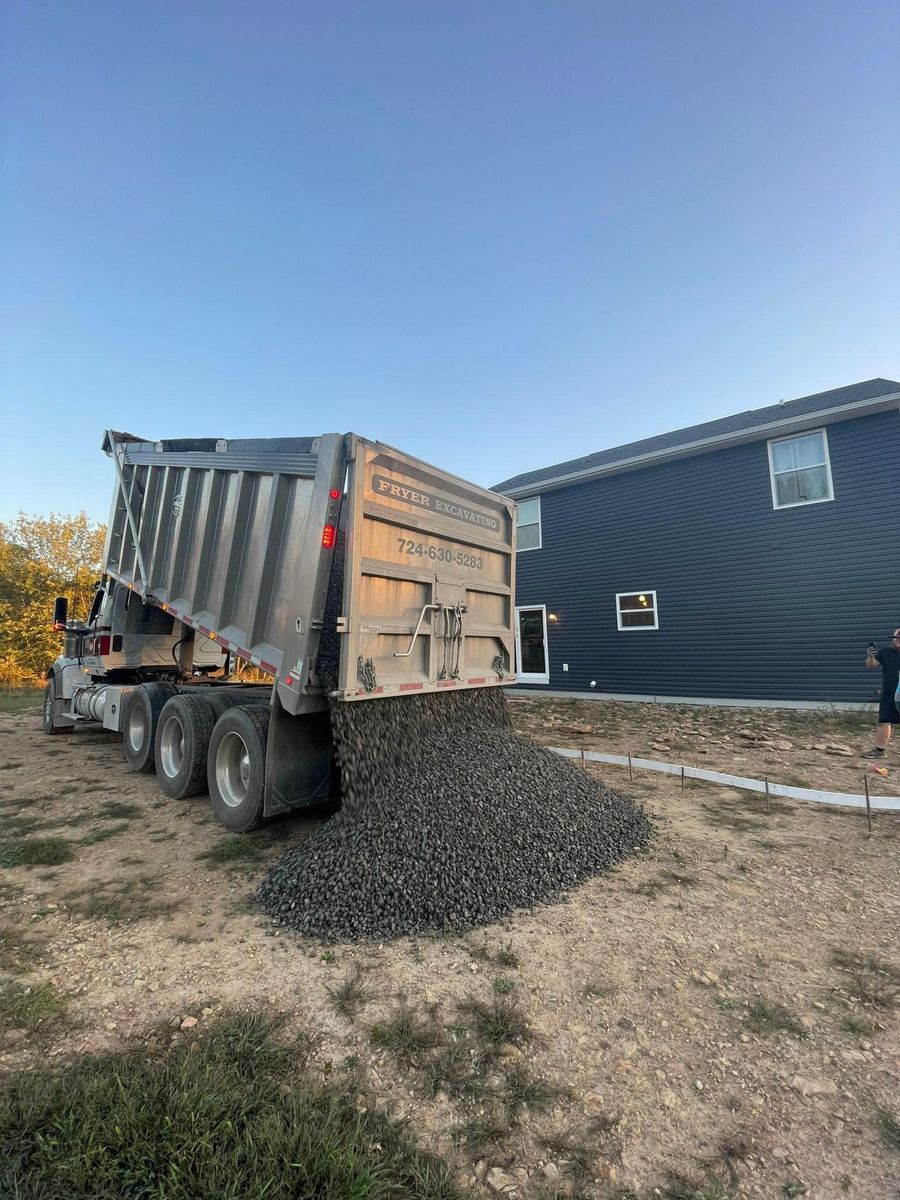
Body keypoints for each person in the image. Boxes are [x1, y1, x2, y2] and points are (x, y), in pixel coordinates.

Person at [863, 628, 900, 758]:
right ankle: (879, 750)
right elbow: (870, 665)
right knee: (884, 721)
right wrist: (871, 655)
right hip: (889, 694)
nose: (898, 640)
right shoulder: (885, 652)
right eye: (896, 638)